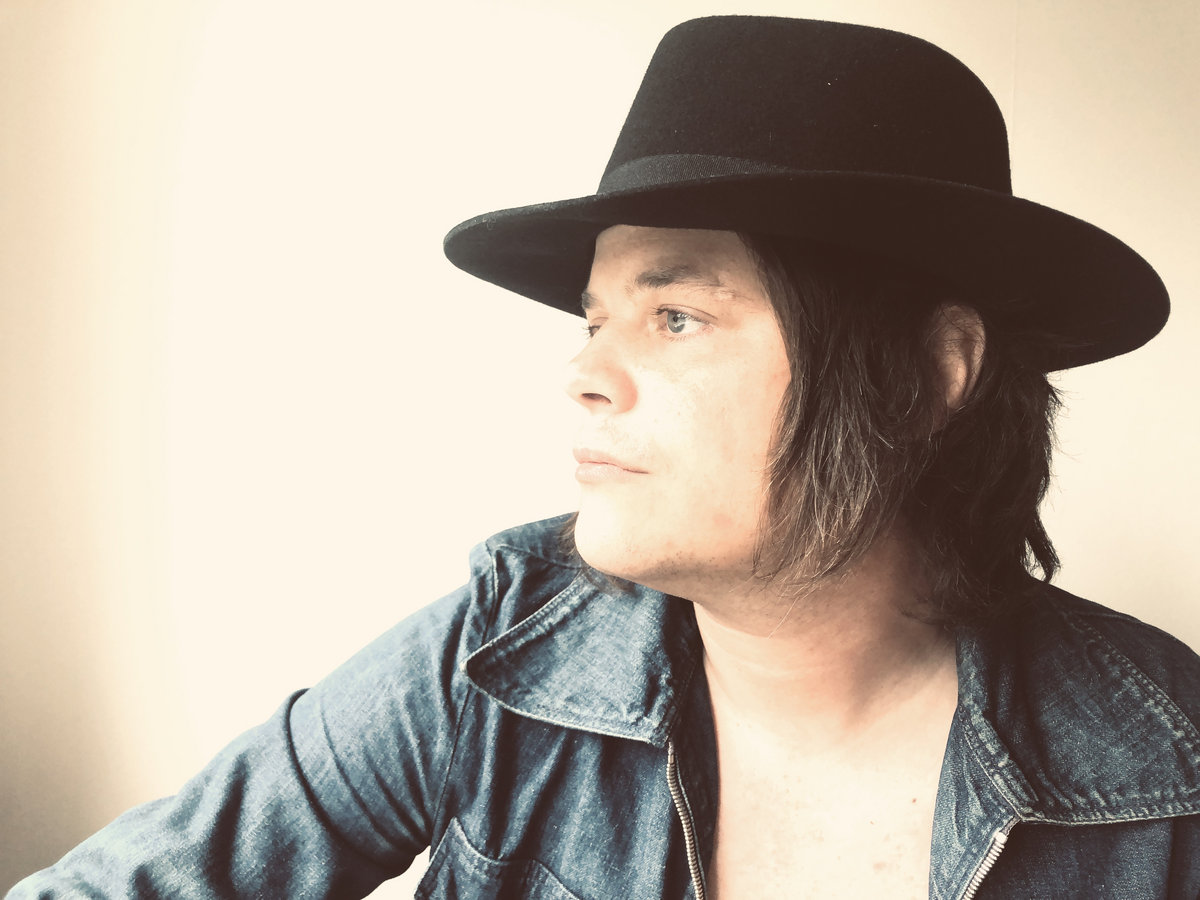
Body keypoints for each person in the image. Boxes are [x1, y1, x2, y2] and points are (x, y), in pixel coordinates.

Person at [9, 14, 1198, 900]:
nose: (584, 374)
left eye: (676, 316)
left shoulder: (1168, 772)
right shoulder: (496, 652)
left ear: (934, 370)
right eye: (595, 319)